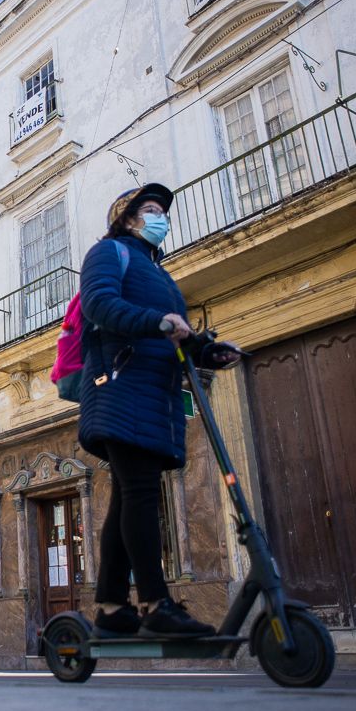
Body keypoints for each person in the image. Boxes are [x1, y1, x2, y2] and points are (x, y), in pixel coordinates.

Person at [78, 183, 243, 639]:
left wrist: (208, 352)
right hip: (121, 385)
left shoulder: (158, 273)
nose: (159, 217)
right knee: (142, 493)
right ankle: (155, 603)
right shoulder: (109, 252)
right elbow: (100, 305)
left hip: (154, 392)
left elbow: (178, 335)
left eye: (160, 212)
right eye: (150, 211)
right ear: (128, 219)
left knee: (131, 497)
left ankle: (112, 608)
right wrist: (157, 321)